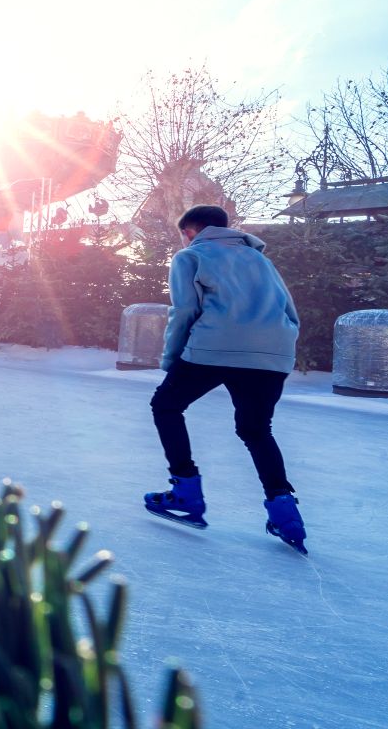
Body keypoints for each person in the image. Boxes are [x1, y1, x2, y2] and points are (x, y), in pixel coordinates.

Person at [144, 205, 307, 554]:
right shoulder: (260, 260)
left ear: (190, 231)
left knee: (166, 405)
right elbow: (290, 310)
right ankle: (285, 512)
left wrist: (172, 359)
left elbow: (185, 310)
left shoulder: (191, 256)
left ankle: (186, 492)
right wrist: (277, 345)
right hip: (272, 352)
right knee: (256, 429)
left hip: (214, 347)